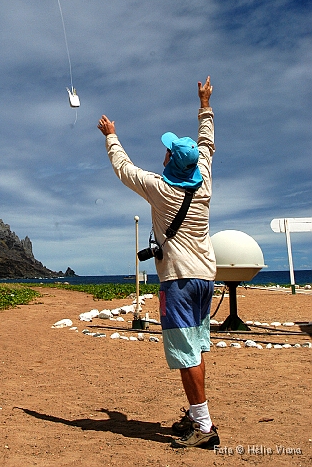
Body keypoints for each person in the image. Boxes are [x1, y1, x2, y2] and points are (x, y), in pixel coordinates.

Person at [97, 77, 219, 449]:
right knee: (195, 348)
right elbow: (207, 144)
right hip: (204, 278)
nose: (163, 153)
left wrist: (110, 135)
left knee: (185, 353)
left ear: (170, 161)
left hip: (179, 283)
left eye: (167, 152)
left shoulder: (159, 188)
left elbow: (124, 168)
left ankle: (204, 427)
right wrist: (204, 104)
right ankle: (196, 414)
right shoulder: (204, 184)